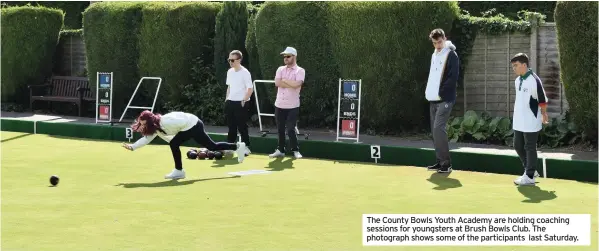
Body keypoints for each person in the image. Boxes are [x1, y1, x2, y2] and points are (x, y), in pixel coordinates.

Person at [122, 110, 247, 180]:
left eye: (144, 124)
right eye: (141, 124)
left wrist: (178, 136)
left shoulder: (167, 121)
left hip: (193, 124)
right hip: (191, 125)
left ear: (150, 122)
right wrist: (133, 147)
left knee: (174, 143)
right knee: (212, 146)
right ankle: (237, 147)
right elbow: (146, 139)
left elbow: (183, 120)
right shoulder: (155, 128)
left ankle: (179, 171)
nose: (142, 126)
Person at [510, 53, 549, 186]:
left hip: (532, 120)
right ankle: (530, 169)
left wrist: (544, 114)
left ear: (524, 65)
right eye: (513, 66)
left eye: (516, 65)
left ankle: (530, 175)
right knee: (517, 145)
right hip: (519, 120)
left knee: (530, 147)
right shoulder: (517, 81)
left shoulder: (534, 80)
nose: (513, 68)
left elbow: (542, 99)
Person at [424, 28, 459, 173]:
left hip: (445, 99)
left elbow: (453, 77)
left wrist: (441, 92)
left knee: (439, 128)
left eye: (439, 42)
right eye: (434, 43)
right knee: (434, 131)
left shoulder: (451, 55)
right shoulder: (434, 55)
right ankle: (440, 161)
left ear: (445, 39)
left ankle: (446, 164)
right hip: (433, 99)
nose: (437, 45)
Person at [268, 46, 305, 159]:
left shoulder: (300, 70)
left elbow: (297, 84)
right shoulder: (280, 69)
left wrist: (285, 81)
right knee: (280, 129)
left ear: (294, 57)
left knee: (290, 129)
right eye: (284, 56)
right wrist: (289, 83)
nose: (285, 58)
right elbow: (277, 83)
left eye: (288, 56)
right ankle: (280, 150)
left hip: (293, 105)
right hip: (279, 104)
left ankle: (295, 150)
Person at [225, 50, 253, 156]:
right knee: (231, 126)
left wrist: (244, 100)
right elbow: (229, 87)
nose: (230, 62)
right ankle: (230, 146)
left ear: (239, 60)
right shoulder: (230, 72)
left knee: (242, 126)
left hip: (241, 102)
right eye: (229, 60)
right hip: (231, 102)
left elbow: (250, 89)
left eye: (232, 60)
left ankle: (246, 147)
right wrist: (227, 99)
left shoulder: (245, 73)